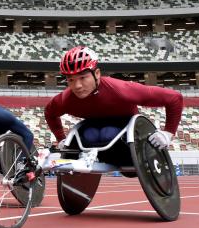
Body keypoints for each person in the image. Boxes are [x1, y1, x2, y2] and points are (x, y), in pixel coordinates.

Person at [45, 46, 183, 153]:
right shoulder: (65, 99)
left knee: (106, 134)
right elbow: (49, 113)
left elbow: (174, 98)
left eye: (82, 77)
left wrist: (168, 133)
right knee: (89, 135)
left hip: (125, 129)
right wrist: (61, 138)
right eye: (71, 80)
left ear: (97, 74)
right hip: (92, 128)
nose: (77, 86)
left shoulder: (121, 89)